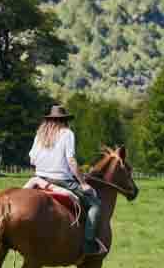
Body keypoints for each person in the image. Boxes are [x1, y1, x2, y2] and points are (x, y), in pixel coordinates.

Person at [29, 104, 106, 255]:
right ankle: (89, 244)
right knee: (95, 203)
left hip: (39, 178)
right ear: (64, 120)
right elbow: (71, 160)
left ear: (50, 120)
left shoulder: (39, 135)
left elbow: (32, 159)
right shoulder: (67, 133)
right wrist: (83, 183)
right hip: (61, 180)